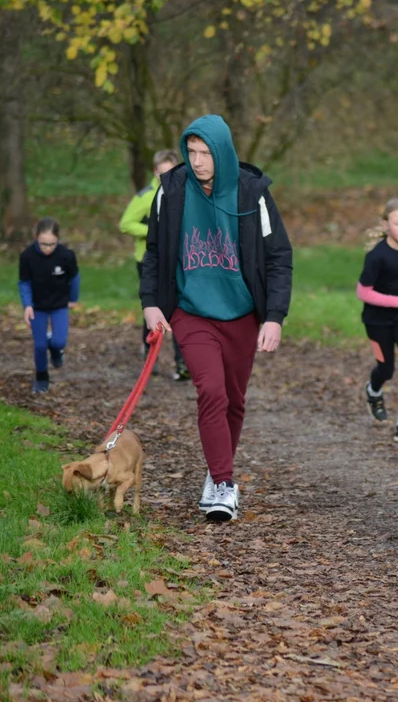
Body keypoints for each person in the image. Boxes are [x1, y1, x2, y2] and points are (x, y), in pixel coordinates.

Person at [139, 114, 293, 522]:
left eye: (205, 152)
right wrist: (150, 303)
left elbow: (279, 257)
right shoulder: (170, 191)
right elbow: (153, 252)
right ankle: (224, 484)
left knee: (234, 401)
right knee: (211, 391)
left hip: (241, 312)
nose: (198, 160)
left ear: (222, 152)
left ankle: (215, 469)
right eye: (191, 152)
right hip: (191, 310)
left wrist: (274, 316)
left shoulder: (252, 194)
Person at [357, 198, 398, 444]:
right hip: (378, 321)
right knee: (387, 369)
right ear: (386, 225)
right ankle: (373, 391)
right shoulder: (377, 256)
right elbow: (362, 292)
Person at [119, 148, 190, 380]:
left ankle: (182, 364)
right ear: (154, 172)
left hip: (178, 261)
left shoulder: (186, 193)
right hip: (148, 261)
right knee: (155, 307)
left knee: (181, 308)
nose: (166, 179)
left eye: (171, 173)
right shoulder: (145, 196)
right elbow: (126, 223)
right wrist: (152, 231)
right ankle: (150, 354)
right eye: (162, 175)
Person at [19, 217, 79, 394]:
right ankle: (42, 377)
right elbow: (24, 282)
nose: (47, 248)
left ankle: (56, 351)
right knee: (39, 345)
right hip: (37, 306)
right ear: (36, 237)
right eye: (43, 244)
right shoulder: (27, 256)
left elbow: (74, 278)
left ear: (58, 239)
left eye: (52, 244)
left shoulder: (66, 255)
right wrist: (27, 305)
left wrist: (73, 298)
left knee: (59, 341)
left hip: (59, 304)